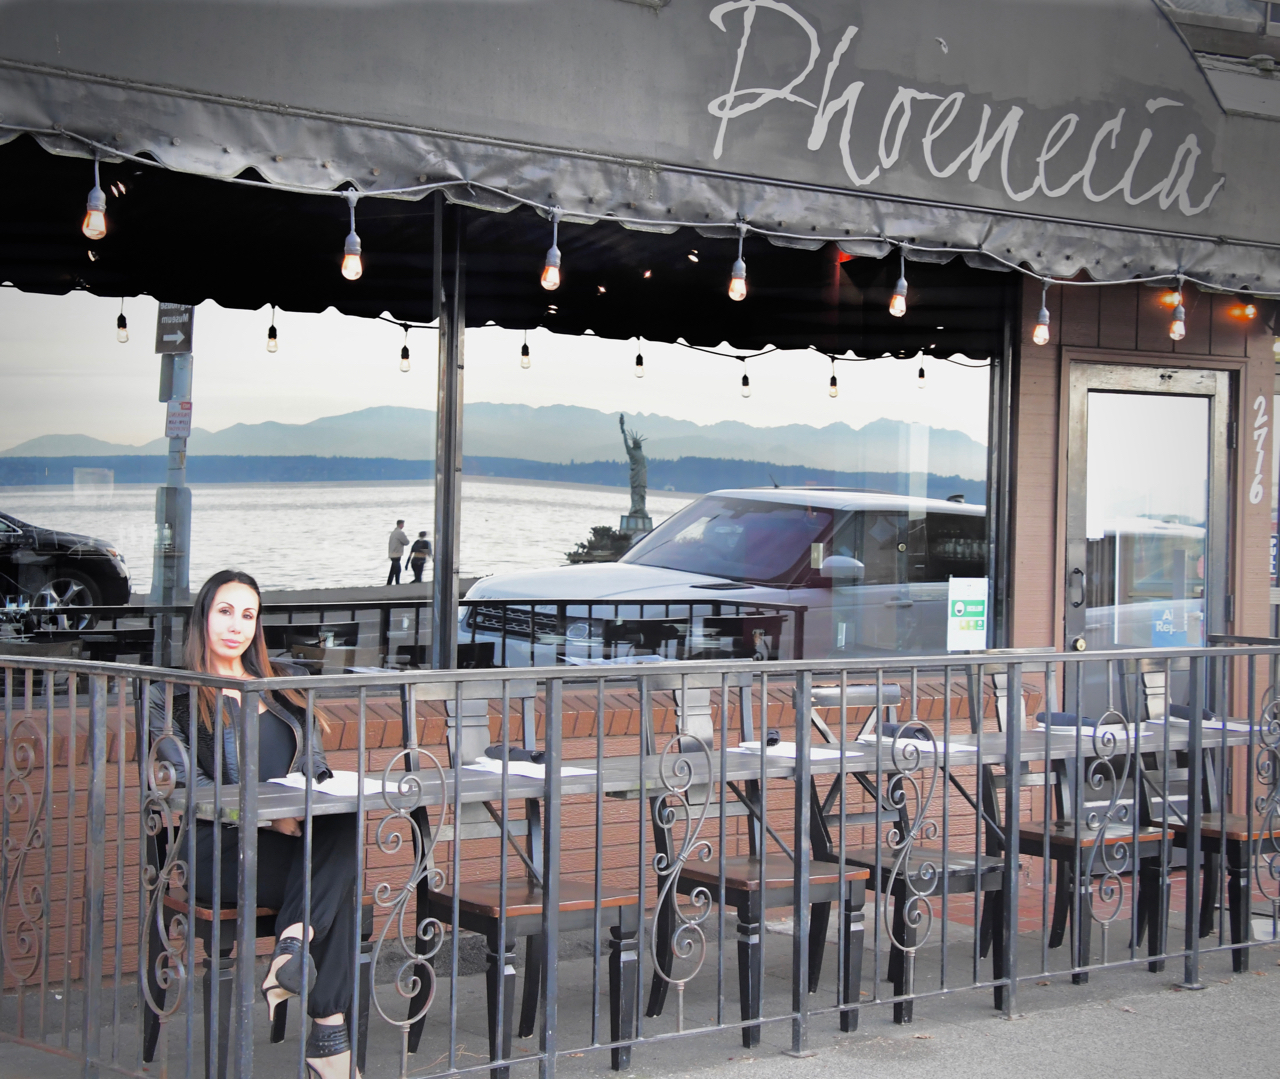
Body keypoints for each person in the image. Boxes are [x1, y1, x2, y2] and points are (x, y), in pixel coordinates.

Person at [148, 570, 359, 1079]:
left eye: (248, 614)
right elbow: (183, 784)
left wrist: (306, 803)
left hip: (284, 845)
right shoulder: (172, 694)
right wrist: (266, 819)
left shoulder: (281, 689)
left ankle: (291, 947)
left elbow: (314, 765)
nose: (237, 625)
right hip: (214, 849)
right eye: (226, 611)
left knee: (344, 829)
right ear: (204, 617)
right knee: (340, 887)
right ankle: (328, 1041)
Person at [387, 519, 410, 585]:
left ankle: (389, 583)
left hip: (392, 553)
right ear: (401, 524)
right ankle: (397, 583)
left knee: (393, 569)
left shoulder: (393, 532)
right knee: (398, 569)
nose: (403, 526)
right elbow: (406, 542)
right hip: (396, 553)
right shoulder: (400, 533)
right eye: (403, 524)